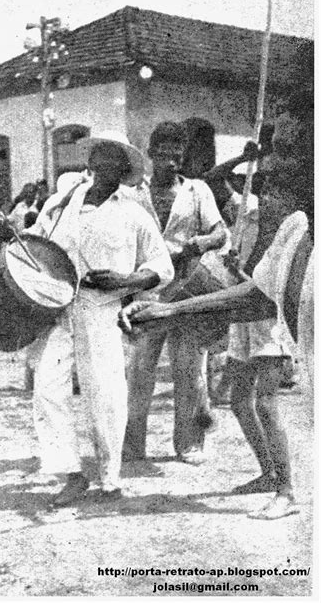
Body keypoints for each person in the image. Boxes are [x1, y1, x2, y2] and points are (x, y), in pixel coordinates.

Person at [120, 90, 314, 520]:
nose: (267, 173)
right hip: (222, 300)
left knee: (261, 400)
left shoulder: (286, 216)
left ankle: (286, 489)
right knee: (241, 399)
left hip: (259, 310)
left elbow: (261, 291)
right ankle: (268, 473)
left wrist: (201, 264)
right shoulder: (252, 208)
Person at [27, 130, 174, 506]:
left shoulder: (133, 213)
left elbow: (161, 266)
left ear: (124, 168)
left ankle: (110, 478)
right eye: (98, 155)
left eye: (113, 157)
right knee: (47, 389)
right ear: (90, 161)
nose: (103, 162)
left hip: (101, 309)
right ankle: (71, 474)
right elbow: (34, 245)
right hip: (58, 308)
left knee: (106, 395)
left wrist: (127, 280)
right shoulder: (60, 204)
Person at [125, 121, 227, 464]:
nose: (171, 161)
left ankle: (189, 443)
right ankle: (132, 444)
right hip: (148, 292)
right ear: (152, 154)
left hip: (188, 289)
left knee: (190, 370)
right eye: (164, 154)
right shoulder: (134, 193)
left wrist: (203, 241)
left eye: (177, 154)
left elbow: (220, 232)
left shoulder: (196, 191)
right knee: (139, 371)